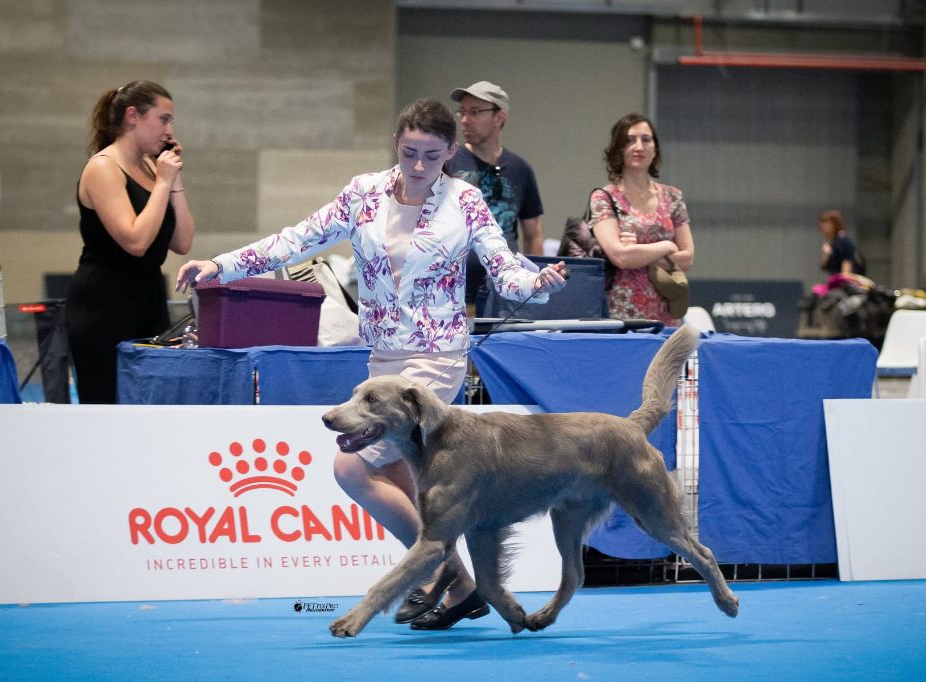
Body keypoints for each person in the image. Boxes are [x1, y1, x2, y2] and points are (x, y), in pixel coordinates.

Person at [175, 98, 567, 630]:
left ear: (452, 150)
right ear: (396, 144)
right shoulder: (363, 193)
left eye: (433, 155)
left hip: (437, 360)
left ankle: (438, 572)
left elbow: (505, 268)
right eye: (410, 153)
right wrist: (219, 265)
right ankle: (461, 585)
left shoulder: (467, 201)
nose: (420, 167)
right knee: (398, 478)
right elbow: (296, 239)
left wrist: (536, 284)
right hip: (382, 360)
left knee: (351, 466)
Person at [65, 80, 195, 404]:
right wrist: (163, 182)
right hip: (103, 305)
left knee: (152, 403)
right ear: (133, 116)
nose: (169, 130)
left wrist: (173, 181)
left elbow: (182, 242)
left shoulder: (153, 168)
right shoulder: (103, 168)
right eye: (163, 119)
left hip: (148, 297)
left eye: (171, 122)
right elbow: (135, 241)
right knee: (107, 403)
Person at [444, 81, 544, 312]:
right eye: (463, 112)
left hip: (505, 295)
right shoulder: (446, 162)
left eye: (475, 112)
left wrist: (531, 289)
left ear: (499, 116)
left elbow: (533, 233)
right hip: (455, 295)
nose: (465, 120)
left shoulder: (520, 169)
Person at [589, 113, 694, 324]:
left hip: (665, 315)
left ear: (655, 148)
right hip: (619, 313)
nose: (639, 146)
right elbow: (621, 257)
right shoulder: (604, 197)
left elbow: (688, 258)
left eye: (646, 139)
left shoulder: (672, 196)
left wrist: (638, 250)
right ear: (619, 148)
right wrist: (666, 246)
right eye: (630, 140)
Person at [818, 209, 866, 276]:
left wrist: (843, 282)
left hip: (843, 283)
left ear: (835, 225)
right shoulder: (832, 244)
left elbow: (847, 262)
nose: (823, 228)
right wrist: (826, 255)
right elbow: (825, 267)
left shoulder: (843, 241)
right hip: (835, 279)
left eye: (826, 224)